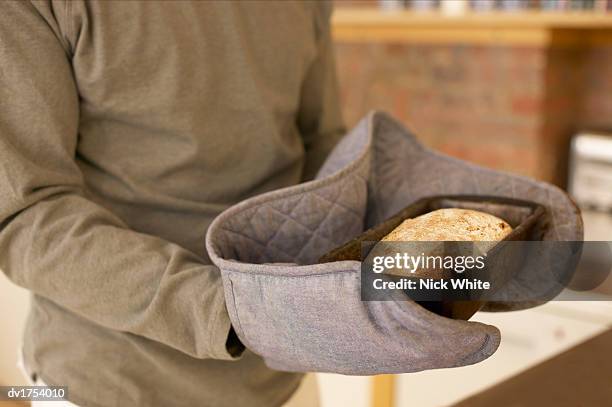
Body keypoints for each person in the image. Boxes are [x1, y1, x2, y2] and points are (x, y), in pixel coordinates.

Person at [0, 1, 344, 406]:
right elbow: (26, 214)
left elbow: (321, 146)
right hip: (104, 388)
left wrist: (395, 258)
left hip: (285, 382)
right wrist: (233, 310)